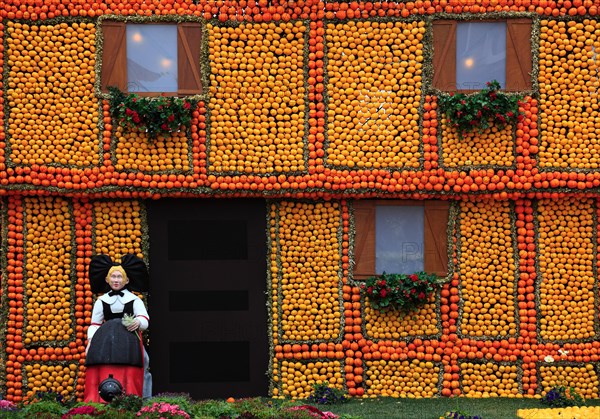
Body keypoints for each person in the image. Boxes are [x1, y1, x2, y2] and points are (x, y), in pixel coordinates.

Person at [84, 254, 152, 402]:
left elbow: (144, 319)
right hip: (106, 342)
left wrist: (138, 322)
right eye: (113, 277)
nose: (116, 280)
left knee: (144, 363)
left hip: (130, 342)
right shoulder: (101, 301)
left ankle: (144, 397)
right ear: (107, 279)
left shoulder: (134, 300)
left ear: (126, 280)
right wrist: (90, 341)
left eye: (119, 277)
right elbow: (95, 324)